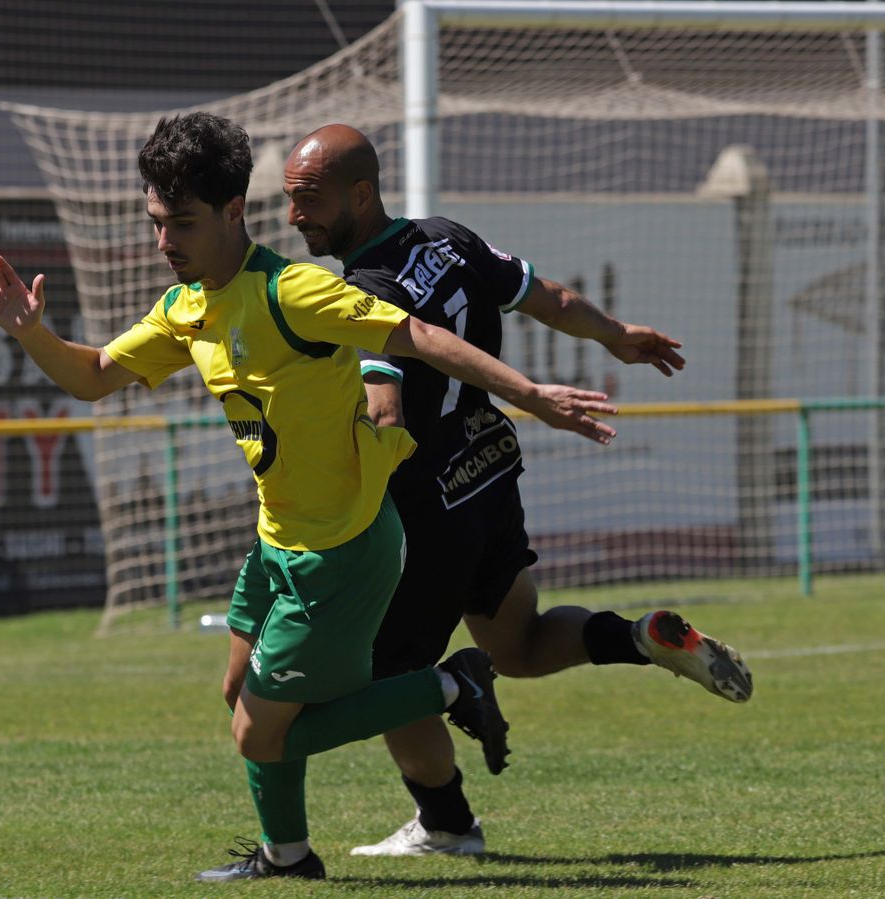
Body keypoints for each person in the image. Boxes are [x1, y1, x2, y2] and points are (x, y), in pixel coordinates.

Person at [0, 112, 621, 882]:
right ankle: (288, 853)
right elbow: (91, 376)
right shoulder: (189, 309)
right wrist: (30, 332)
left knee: (259, 733)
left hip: (341, 550)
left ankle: (446, 686)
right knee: (237, 691)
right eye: (156, 222)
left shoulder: (294, 292)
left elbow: (419, 337)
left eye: (181, 222)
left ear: (233, 212)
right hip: (279, 540)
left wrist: (531, 393)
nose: (164, 241)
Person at [272, 123, 754, 857]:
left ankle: (447, 824)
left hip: (428, 506)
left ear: (360, 194)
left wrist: (325, 476)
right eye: (287, 199)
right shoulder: (448, 237)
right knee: (521, 644)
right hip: (488, 469)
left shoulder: (364, 289)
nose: (293, 216)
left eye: (308, 199)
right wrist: (616, 332)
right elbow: (551, 298)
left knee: (389, 672)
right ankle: (638, 637)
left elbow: (385, 408)